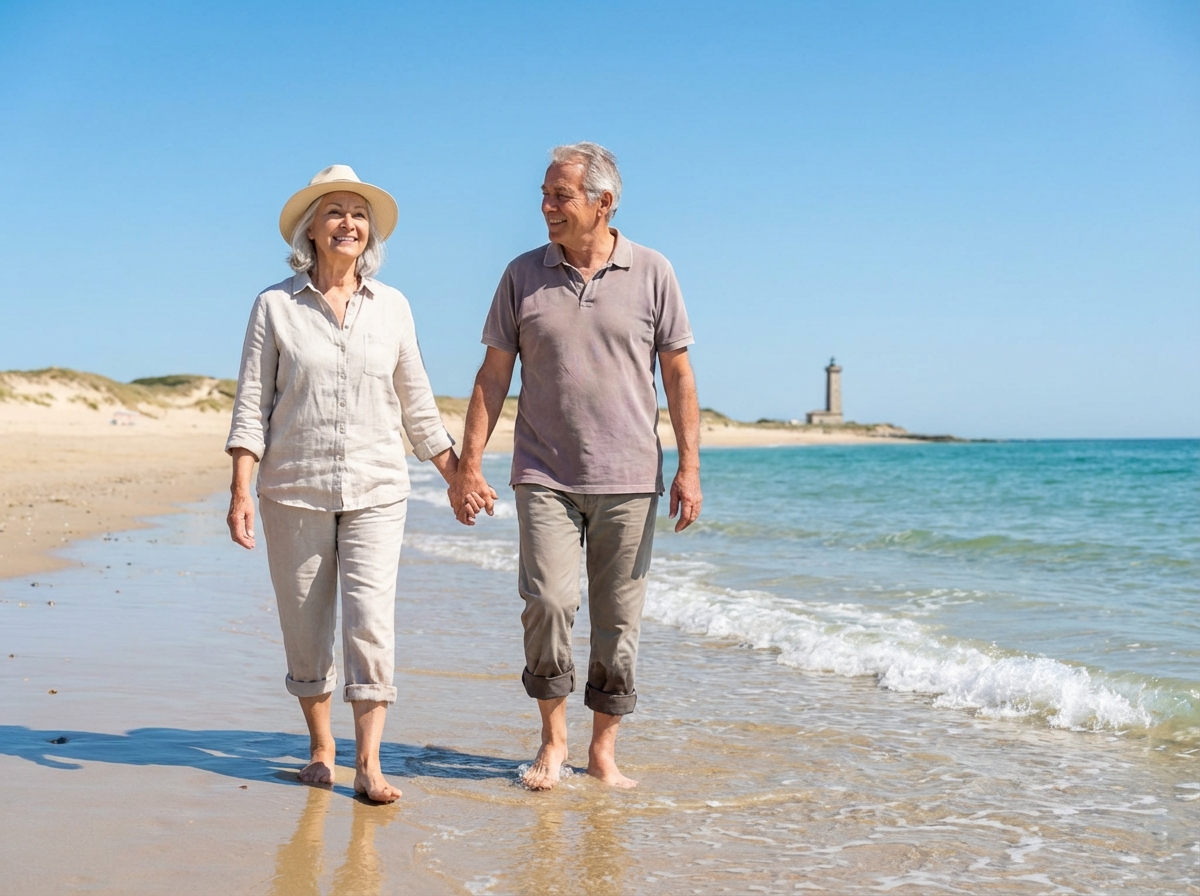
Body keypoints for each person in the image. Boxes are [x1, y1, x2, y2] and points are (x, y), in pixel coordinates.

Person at [448, 142, 702, 790]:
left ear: (602, 202)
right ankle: (554, 741)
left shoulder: (652, 272)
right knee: (549, 602)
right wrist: (469, 465)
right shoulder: (521, 275)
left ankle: (605, 750)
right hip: (545, 474)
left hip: (630, 477)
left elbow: (677, 374)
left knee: (618, 623)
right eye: (545, 193)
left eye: (560, 196)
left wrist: (689, 467)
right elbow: (493, 375)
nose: (546, 207)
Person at [226, 165, 476, 802]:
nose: (348, 223)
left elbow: (415, 403)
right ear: (310, 228)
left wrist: (456, 475)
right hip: (293, 487)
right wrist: (239, 490)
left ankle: (368, 765)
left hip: (377, 488)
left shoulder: (392, 306)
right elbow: (251, 405)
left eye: (358, 213)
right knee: (305, 627)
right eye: (334, 212)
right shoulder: (274, 306)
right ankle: (320, 747)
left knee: (370, 622)